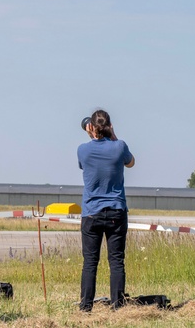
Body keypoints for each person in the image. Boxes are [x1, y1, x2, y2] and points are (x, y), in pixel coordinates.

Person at [77, 109, 135, 312]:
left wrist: (92, 137)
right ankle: (117, 306)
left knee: (90, 262)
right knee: (116, 261)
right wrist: (113, 135)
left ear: (91, 127)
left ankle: (85, 307)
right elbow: (131, 162)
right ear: (109, 126)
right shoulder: (120, 146)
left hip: (91, 212)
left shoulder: (82, 150)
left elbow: (84, 166)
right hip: (116, 211)